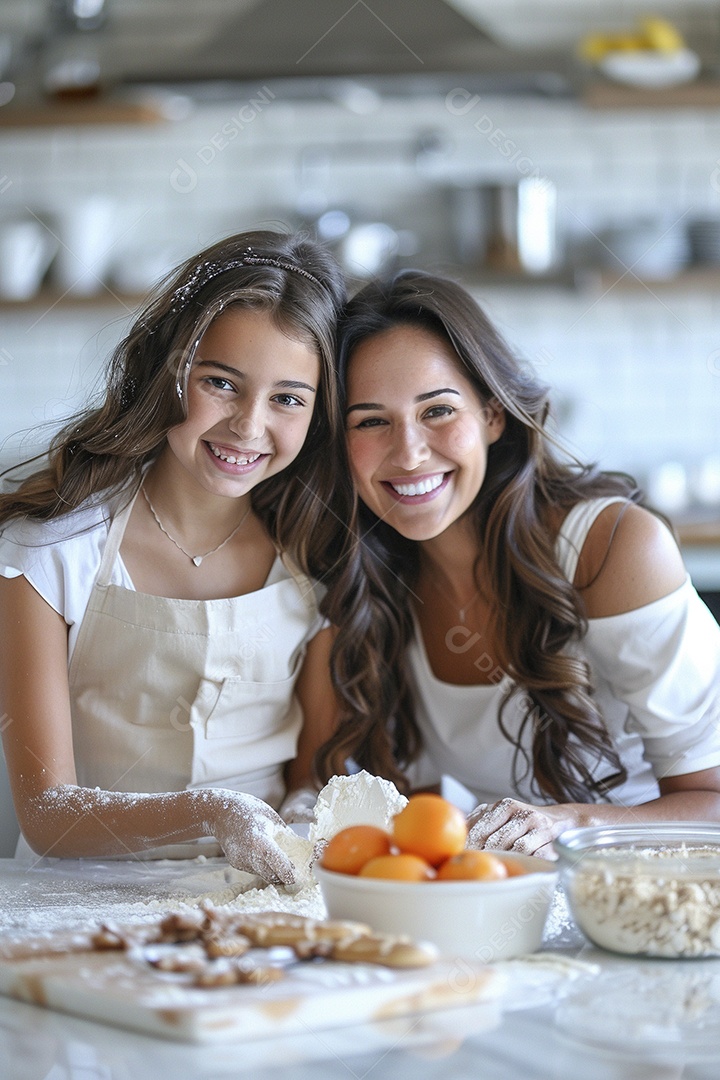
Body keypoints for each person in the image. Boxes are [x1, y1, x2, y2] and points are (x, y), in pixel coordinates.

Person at [318, 269, 720, 858]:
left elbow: (712, 800)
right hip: (495, 903)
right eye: (371, 421)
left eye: (437, 411)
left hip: (636, 897)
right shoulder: (369, 577)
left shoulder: (613, 549)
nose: (408, 452)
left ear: (493, 415)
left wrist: (566, 824)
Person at [0, 229, 346, 884]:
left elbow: (311, 773)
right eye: (222, 383)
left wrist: (301, 813)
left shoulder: (316, 554)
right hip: (76, 903)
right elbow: (47, 812)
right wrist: (218, 815)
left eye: (287, 400)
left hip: (264, 898)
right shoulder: (51, 551)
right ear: (169, 372)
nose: (248, 426)